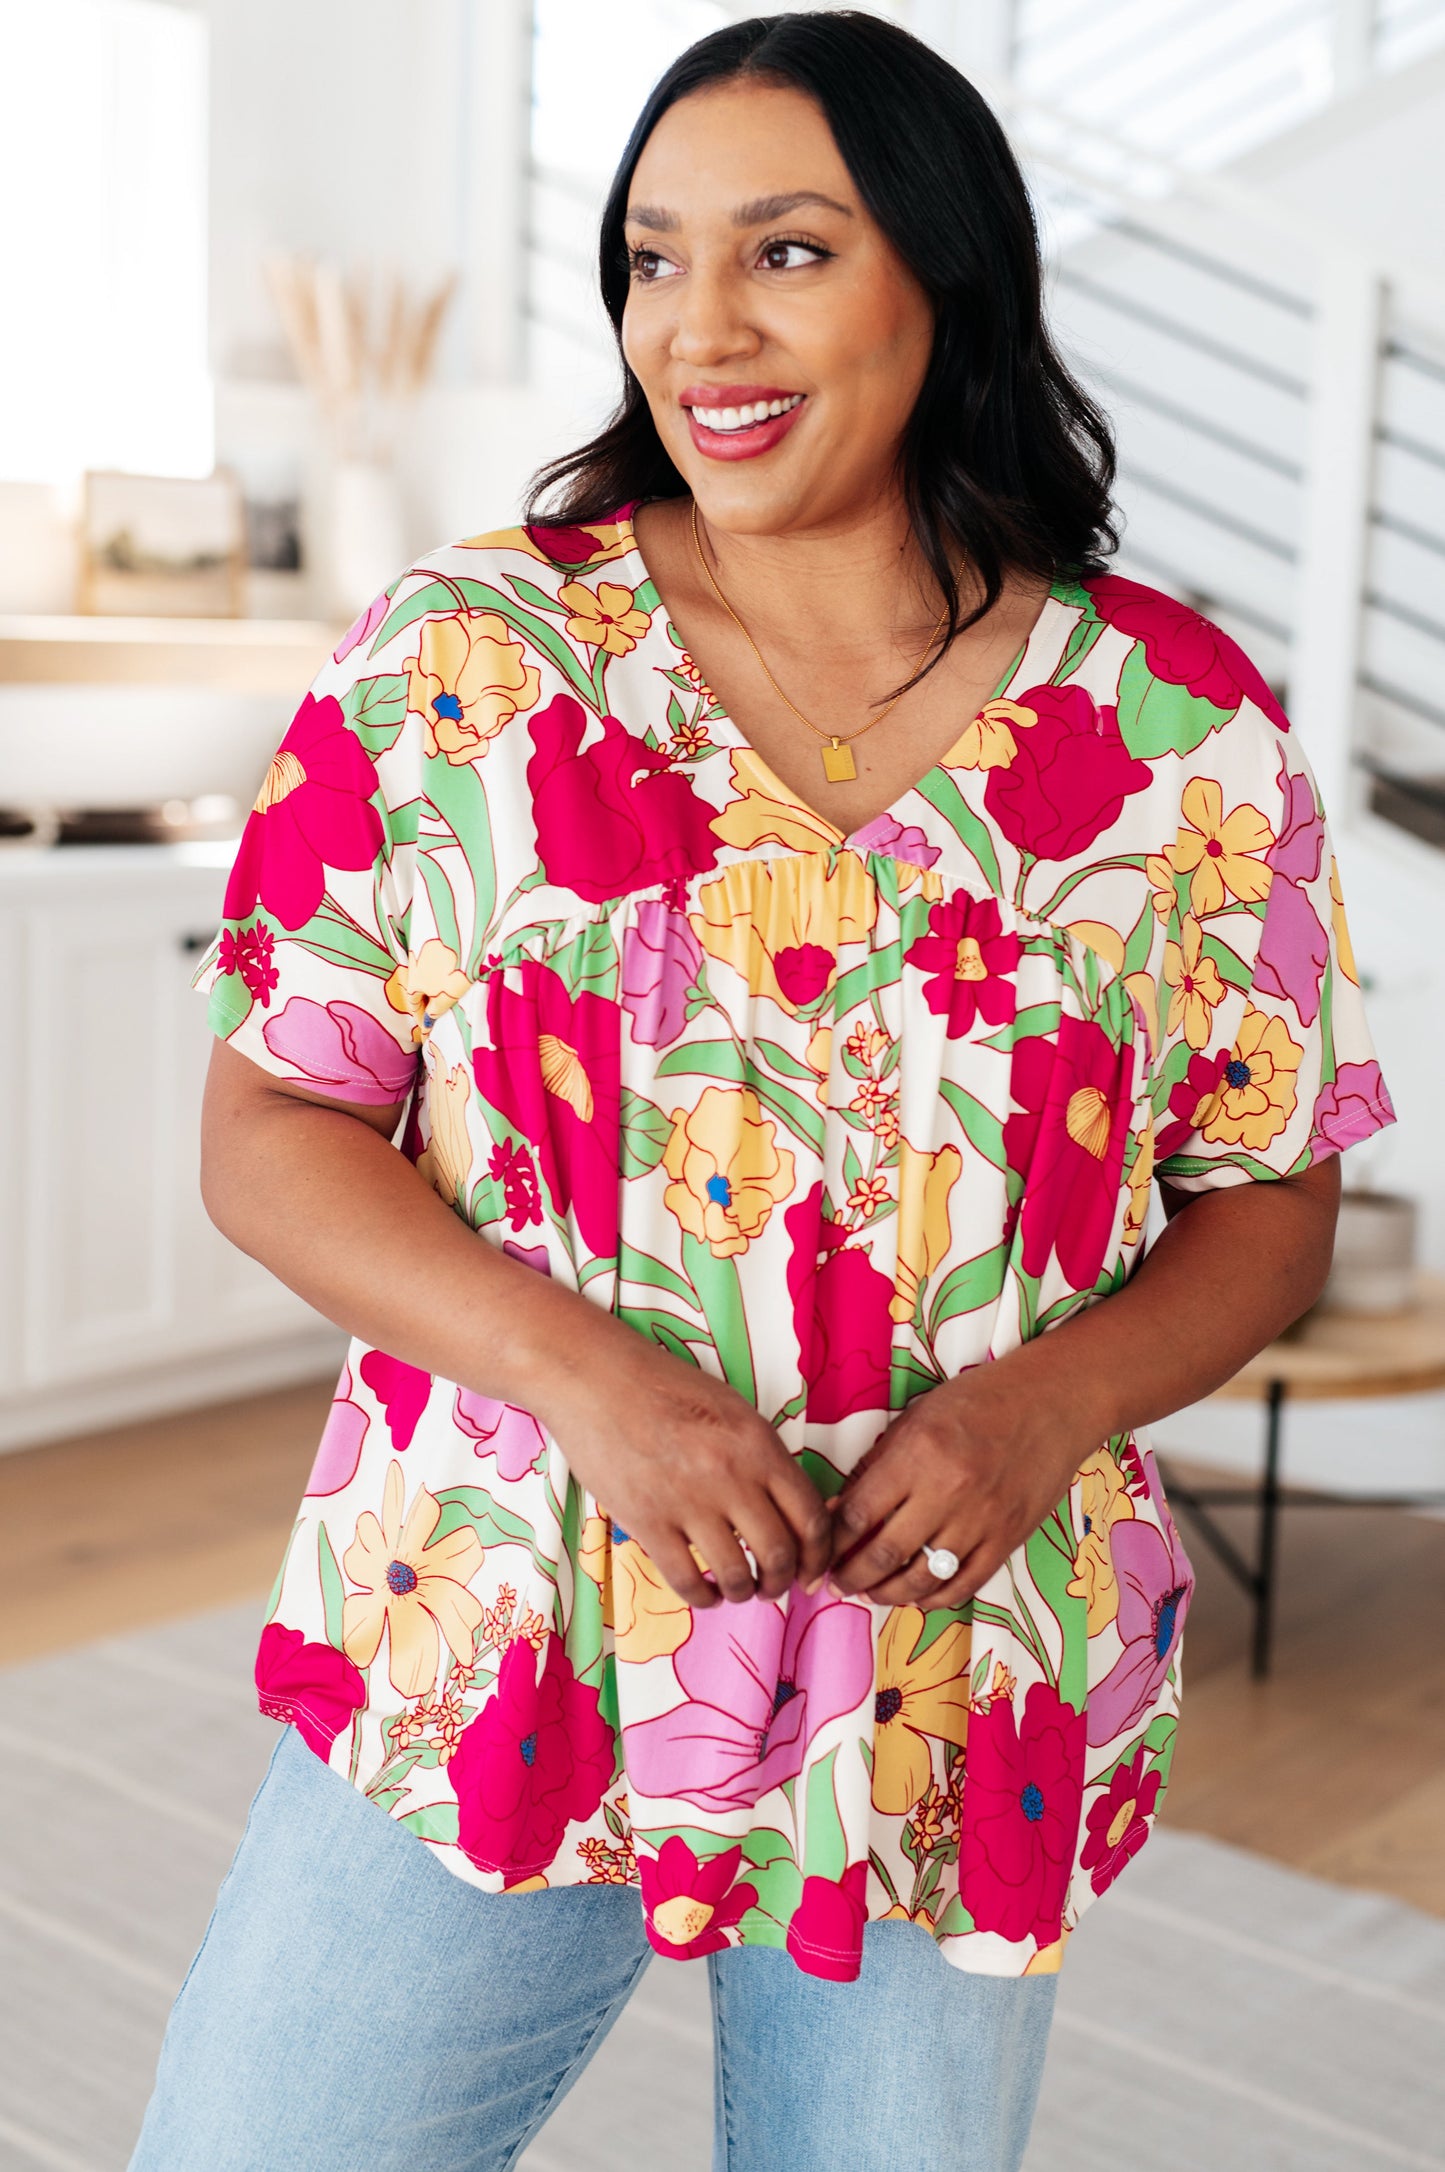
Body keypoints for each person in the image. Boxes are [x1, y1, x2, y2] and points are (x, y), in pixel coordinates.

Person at [128, 13, 1394, 2170]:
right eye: (650, 258)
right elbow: (274, 1125)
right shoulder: (467, 661)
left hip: (949, 1684)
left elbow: (1264, 1188)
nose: (698, 322)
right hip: (495, 1625)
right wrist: (594, 1387)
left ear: (945, 279)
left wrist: (1039, 1409)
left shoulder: (1183, 728)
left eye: (786, 252)